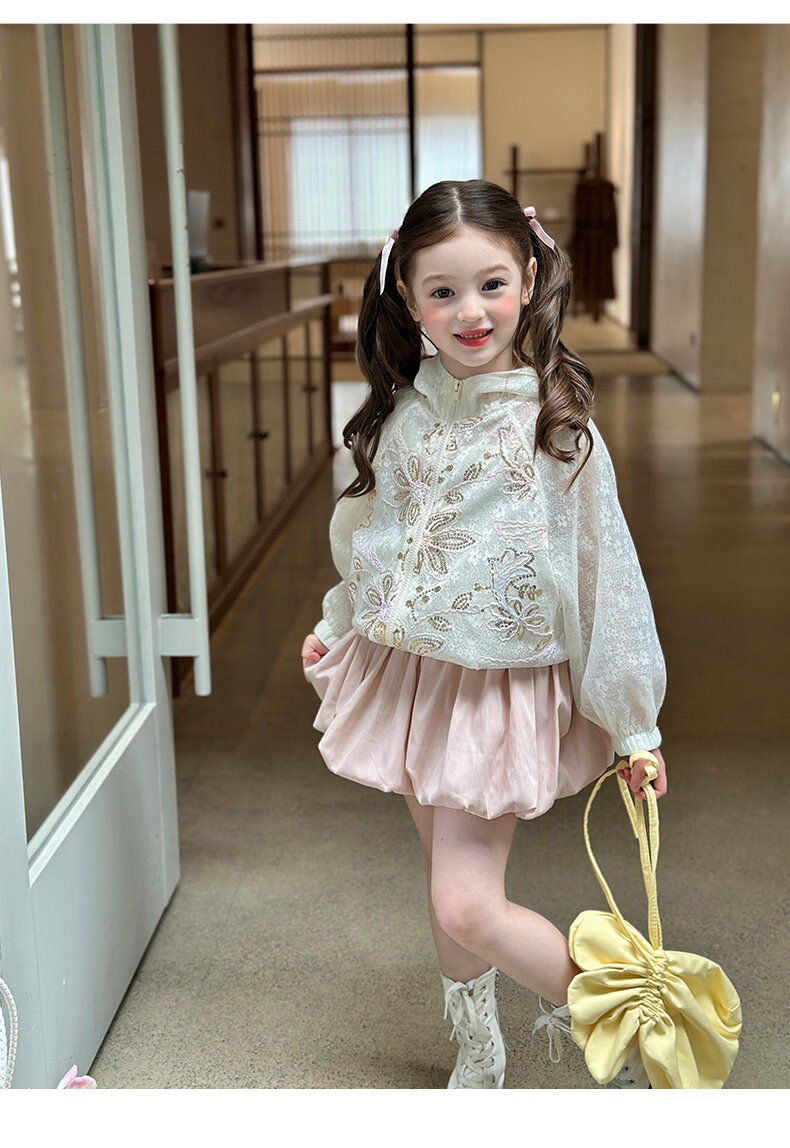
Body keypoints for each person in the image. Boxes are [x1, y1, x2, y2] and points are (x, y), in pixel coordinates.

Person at [300, 179, 667, 1090]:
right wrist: (340, 620)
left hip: (497, 689)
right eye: (443, 291)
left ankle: (635, 1025)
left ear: (529, 278)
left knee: (466, 903)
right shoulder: (405, 416)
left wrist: (633, 723)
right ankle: (479, 1049)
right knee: (445, 884)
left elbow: (605, 575)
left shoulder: (556, 431)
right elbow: (378, 539)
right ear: (407, 298)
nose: (471, 312)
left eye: (492, 285)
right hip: (413, 679)